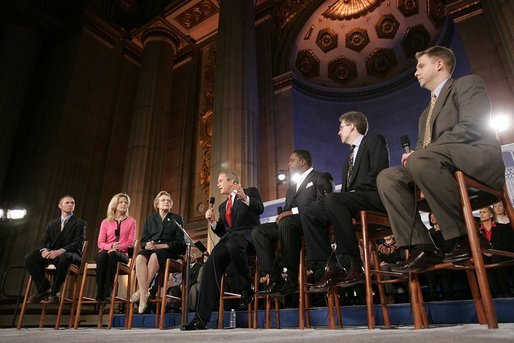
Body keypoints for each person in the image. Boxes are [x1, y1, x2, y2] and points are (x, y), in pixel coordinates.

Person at [377, 46, 505, 273]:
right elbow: (422, 151)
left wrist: (421, 156)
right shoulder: (425, 114)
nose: (416, 72)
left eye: (420, 66)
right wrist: (414, 157)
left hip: (475, 158)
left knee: (421, 160)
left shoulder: (466, 84)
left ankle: (465, 235)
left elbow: (471, 126)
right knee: (388, 177)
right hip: (436, 164)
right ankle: (423, 246)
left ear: (439, 64)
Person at [302, 111, 390, 289]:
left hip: (372, 197)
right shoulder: (347, 161)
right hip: (348, 201)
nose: (338, 132)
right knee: (309, 213)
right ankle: (332, 266)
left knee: (335, 200)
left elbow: (379, 173)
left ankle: (354, 264)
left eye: (341, 127)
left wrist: (350, 195)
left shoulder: (374, 141)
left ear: (351, 126)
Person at [182, 171, 264, 330]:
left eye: (220, 181)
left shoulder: (250, 192)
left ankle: (245, 288)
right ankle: (201, 319)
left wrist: (244, 198)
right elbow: (223, 231)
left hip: (248, 236)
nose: (218, 184)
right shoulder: (221, 206)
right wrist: (213, 222)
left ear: (232, 182)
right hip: (229, 240)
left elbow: (259, 208)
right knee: (210, 264)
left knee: (234, 245)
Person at [252, 150, 334, 295]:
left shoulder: (321, 177)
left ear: (302, 161)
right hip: (289, 225)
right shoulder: (291, 189)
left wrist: (291, 213)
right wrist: (283, 214)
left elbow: (323, 203)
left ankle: (292, 278)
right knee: (259, 231)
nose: (288, 163)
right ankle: (275, 278)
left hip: (310, 223)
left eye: (292, 160)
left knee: (286, 223)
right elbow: (286, 210)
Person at [130, 191, 185, 314]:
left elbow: (180, 242)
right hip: (151, 248)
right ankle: (145, 293)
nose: (166, 202)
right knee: (139, 258)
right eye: (163, 200)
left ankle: (141, 294)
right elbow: (143, 240)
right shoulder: (150, 219)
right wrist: (147, 244)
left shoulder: (176, 218)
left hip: (168, 250)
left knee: (155, 255)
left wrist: (160, 246)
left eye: (168, 200)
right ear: (157, 204)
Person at [24, 195, 86, 302]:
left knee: (63, 258)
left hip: (70, 254)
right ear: (60, 206)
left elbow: (78, 243)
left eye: (73, 203)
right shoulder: (51, 224)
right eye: (67, 203)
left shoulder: (80, 223)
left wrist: (61, 250)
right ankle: (44, 288)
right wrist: (44, 250)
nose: (70, 205)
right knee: (30, 257)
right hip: (52, 253)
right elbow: (43, 241)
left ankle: (55, 291)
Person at [95, 193, 136, 302]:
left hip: (122, 254)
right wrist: (110, 246)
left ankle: (107, 291)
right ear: (115, 204)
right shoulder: (106, 222)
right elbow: (100, 243)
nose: (124, 204)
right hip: (107, 251)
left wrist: (117, 247)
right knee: (102, 255)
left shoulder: (131, 221)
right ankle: (100, 290)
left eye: (126, 203)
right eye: (121, 202)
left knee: (113, 254)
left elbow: (130, 242)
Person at [478, 206, 514, 297]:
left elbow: (507, 245)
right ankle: (497, 293)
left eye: (484, 212)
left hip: (501, 254)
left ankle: (506, 292)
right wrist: (485, 252)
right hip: (486, 255)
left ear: (491, 214)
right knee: (482, 261)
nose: (481, 214)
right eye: (480, 212)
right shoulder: (477, 232)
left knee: (496, 259)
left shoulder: (503, 227)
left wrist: (492, 251)